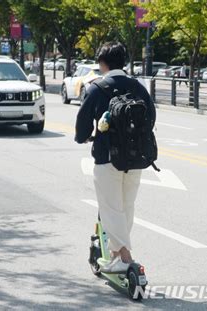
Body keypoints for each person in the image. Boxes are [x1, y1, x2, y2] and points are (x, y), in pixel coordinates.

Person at [74, 42, 156, 273]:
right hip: (135, 158)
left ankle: (125, 257)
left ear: (102, 63)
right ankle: (115, 254)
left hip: (107, 157)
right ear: (124, 62)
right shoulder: (138, 87)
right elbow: (150, 118)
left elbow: (82, 124)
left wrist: (84, 137)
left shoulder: (96, 88)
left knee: (110, 208)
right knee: (126, 206)